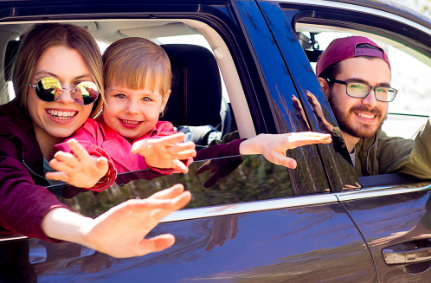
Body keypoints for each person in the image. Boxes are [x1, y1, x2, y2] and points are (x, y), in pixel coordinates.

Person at [0, 23, 191, 259]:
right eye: (49, 86)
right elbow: (9, 192)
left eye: (83, 87)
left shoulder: (108, 136)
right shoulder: (0, 131)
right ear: (23, 81)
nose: (67, 99)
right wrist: (86, 231)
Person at [46, 37, 333, 189]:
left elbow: (199, 157)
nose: (132, 109)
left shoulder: (165, 134)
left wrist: (254, 145)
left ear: (163, 102)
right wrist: (91, 171)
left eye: (146, 98)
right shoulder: (89, 132)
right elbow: (79, 158)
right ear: (101, 95)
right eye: (120, 95)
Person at [310, 6, 431, 179]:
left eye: (381, 89)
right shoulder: (295, 148)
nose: (371, 101)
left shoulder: (374, 149)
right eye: (357, 87)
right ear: (323, 89)